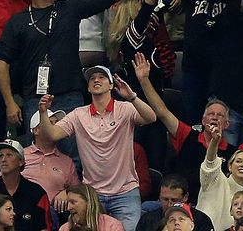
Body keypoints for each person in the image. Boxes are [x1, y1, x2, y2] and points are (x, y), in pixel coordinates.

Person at [37, 62, 160, 231]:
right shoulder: (78, 114)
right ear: (88, 88)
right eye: (92, 78)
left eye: (102, 77)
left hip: (125, 192)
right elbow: (52, 134)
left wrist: (132, 96)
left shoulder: (125, 109)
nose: (96, 80)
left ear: (111, 85)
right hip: (92, 194)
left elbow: (151, 117)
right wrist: (43, 112)